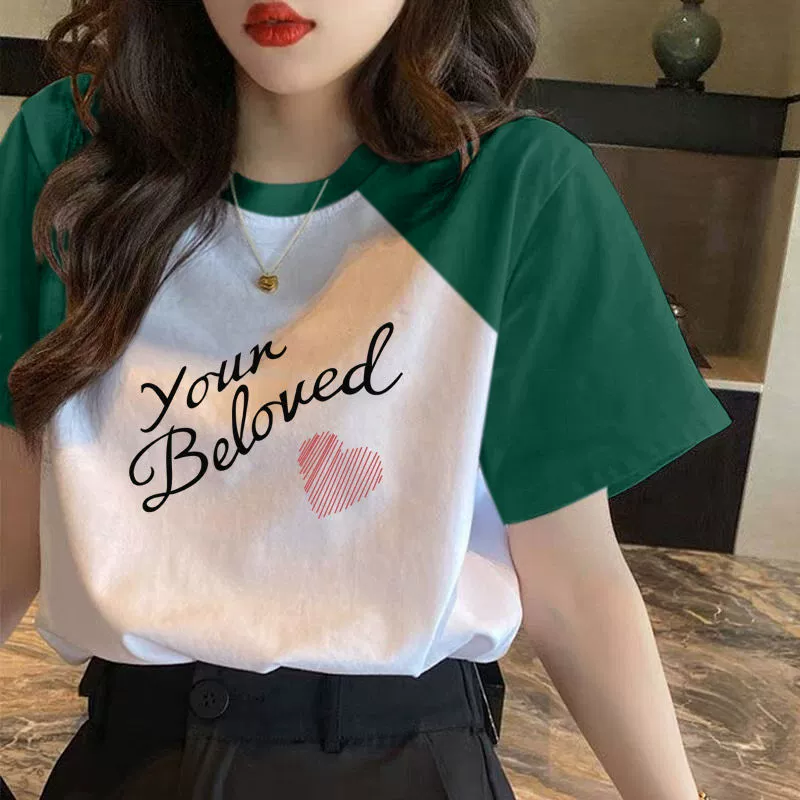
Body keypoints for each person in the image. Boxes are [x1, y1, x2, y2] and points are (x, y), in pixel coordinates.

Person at [0, 0, 731, 798]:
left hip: (406, 764)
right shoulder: (75, 156)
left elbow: (573, 582)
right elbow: (11, 516)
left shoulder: (513, 187)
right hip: (131, 762)